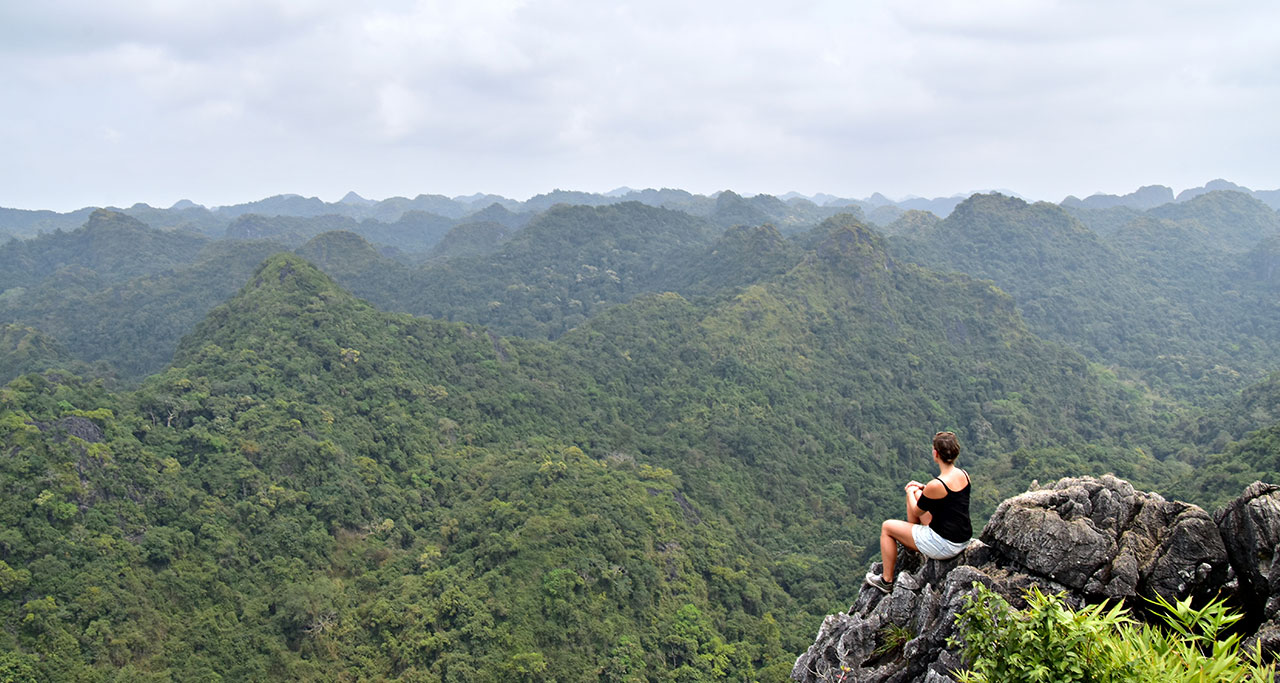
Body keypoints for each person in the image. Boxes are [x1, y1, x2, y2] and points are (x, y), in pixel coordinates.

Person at [865, 431, 971, 594]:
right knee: (918, 494)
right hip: (962, 538)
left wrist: (909, 491)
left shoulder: (936, 485)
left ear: (935, 453)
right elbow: (948, 498)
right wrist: (921, 488)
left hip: (945, 545)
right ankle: (912, 544)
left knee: (887, 527)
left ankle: (886, 581)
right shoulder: (963, 475)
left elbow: (916, 509)